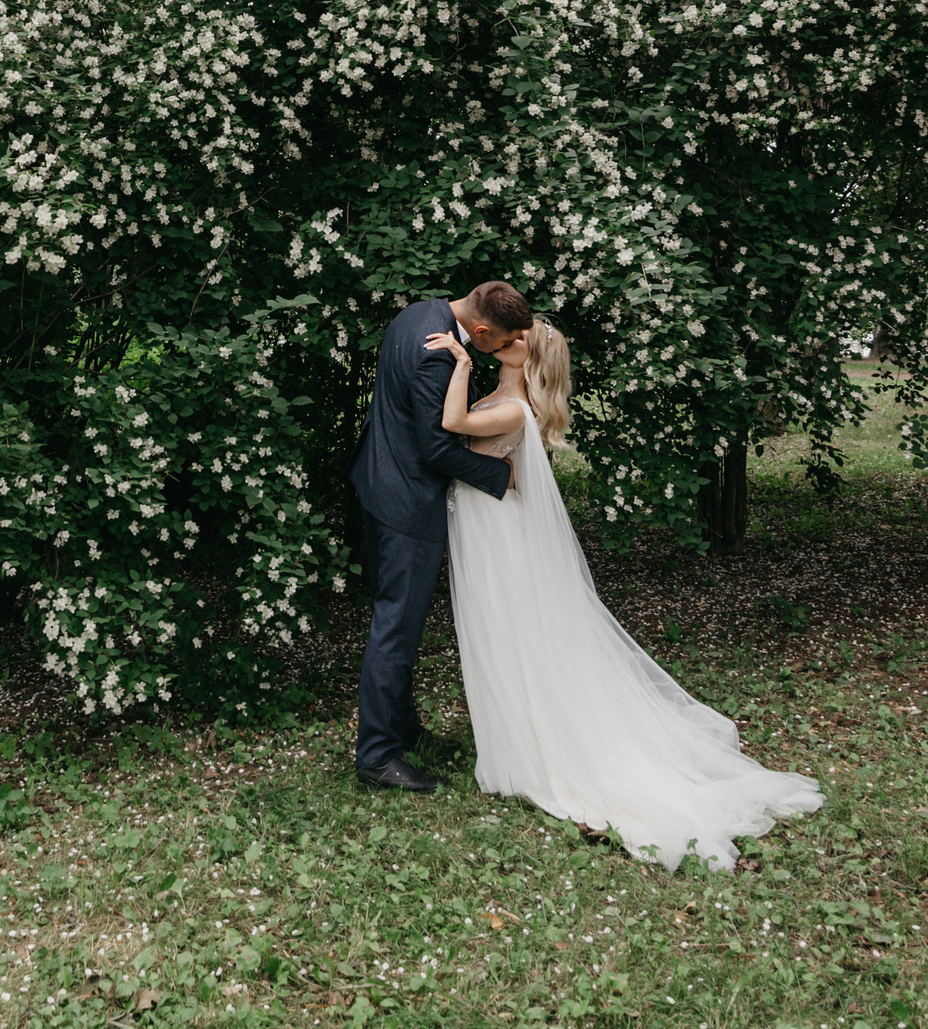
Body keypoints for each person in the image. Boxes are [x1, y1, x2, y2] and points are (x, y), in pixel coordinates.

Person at [424, 318, 823, 871]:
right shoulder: (504, 396)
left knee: (515, 632)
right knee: (503, 633)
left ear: (531, 359)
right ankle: (516, 739)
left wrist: (461, 362)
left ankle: (536, 747)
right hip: (487, 521)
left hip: (499, 532)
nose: (505, 341)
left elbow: (453, 423)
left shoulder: (515, 408)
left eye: (517, 340)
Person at [350, 281, 529, 792]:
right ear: (481, 328)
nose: (501, 349)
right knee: (395, 628)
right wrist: (501, 476)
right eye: (500, 342)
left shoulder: (420, 313)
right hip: (406, 501)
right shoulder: (437, 356)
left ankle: (402, 727)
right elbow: (437, 448)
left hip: (378, 479)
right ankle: (377, 757)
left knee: (394, 618)